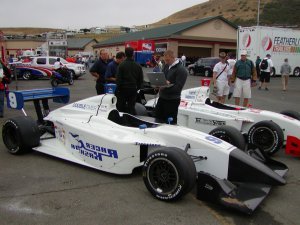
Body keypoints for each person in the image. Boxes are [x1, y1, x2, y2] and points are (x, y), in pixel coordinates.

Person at [155, 50, 188, 124]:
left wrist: (165, 87)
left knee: (170, 123)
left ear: (173, 58)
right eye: (165, 60)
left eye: (167, 60)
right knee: (157, 119)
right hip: (162, 98)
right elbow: (163, 79)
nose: (166, 62)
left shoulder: (181, 70)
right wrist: (158, 84)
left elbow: (178, 88)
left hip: (172, 100)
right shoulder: (166, 66)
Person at [115, 47, 143, 114]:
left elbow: (118, 79)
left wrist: (117, 89)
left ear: (125, 54)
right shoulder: (138, 66)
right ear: (133, 54)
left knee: (121, 107)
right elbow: (140, 80)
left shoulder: (121, 65)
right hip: (133, 89)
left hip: (123, 89)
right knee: (131, 107)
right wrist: (137, 88)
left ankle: (121, 121)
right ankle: (131, 121)